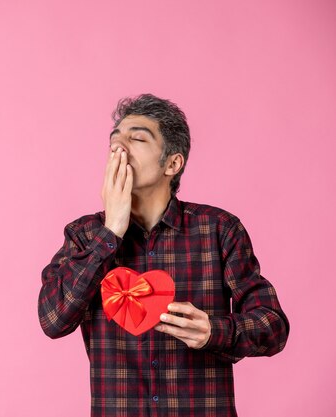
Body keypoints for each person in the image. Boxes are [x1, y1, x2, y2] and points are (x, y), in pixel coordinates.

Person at [37, 94, 289, 417]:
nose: (120, 148)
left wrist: (215, 331)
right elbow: (52, 319)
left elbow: (274, 326)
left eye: (137, 138)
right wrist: (111, 231)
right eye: (114, 141)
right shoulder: (84, 235)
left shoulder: (220, 230)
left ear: (172, 163)